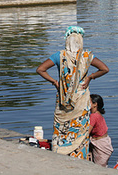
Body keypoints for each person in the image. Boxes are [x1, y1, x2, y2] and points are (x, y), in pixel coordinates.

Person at [36, 26, 109, 160]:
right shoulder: (86, 56)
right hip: (81, 101)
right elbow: (104, 69)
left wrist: (55, 82)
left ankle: (60, 154)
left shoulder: (59, 55)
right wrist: (90, 77)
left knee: (61, 128)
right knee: (80, 131)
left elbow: (40, 69)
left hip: (63, 100)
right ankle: (79, 158)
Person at [89, 94, 113, 167]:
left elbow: (87, 132)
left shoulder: (93, 116)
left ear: (95, 104)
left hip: (100, 144)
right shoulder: (98, 114)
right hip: (104, 142)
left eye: (88, 101)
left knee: (99, 168)